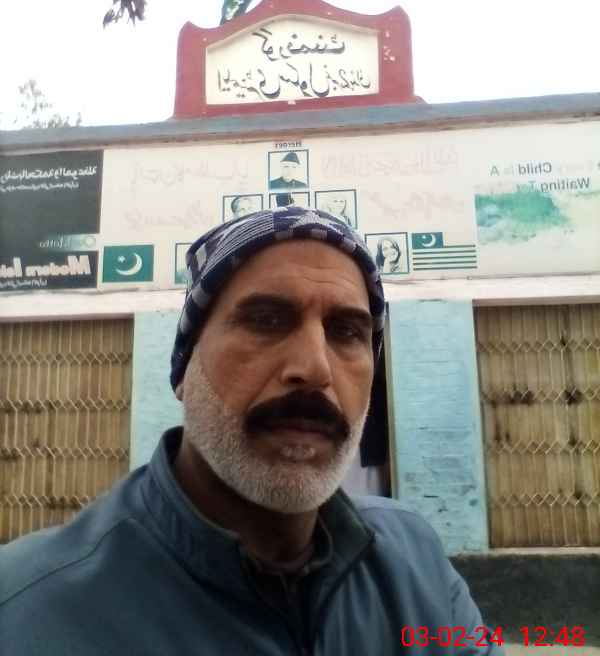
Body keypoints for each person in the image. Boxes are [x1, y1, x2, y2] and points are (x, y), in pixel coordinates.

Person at [0, 207, 503, 656]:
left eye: (347, 332)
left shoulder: (416, 564)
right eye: (266, 320)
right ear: (186, 365)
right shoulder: (29, 608)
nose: (315, 368)